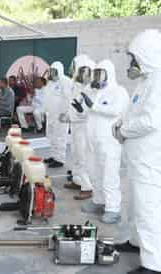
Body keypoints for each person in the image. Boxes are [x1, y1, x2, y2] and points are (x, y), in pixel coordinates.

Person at [112, 29, 161, 274]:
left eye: (135, 57)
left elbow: (150, 120)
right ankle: (136, 241)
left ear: (147, 55)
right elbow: (133, 112)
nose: (133, 63)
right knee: (136, 206)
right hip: (138, 157)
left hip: (151, 159)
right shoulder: (147, 80)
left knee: (148, 210)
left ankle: (154, 265)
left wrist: (124, 130)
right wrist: (120, 123)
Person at [78, 60, 129, 224]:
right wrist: (82, 110)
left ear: (109, 73)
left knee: (109, 174)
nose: (97, 77)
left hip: (109, 142)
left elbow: (117, 110)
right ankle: (99, 200)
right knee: (94, 171)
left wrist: (94, 106)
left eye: (101, 73)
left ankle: (113, 208)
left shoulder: (118, 91)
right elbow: (90, 111)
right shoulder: (94, 91)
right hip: (92, 140)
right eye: (96, 73)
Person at [64, 55, 95, 197]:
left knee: (83, 156)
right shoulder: (75, 84)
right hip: (75, 125)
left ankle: (87, 187)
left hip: (84, 126)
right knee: (76, 155)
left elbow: (90, 108)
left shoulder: (91, 87)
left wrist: (79, 112)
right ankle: (77, 180)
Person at [43, 61, 71, 168]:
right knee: (52, 136)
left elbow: (68, 99)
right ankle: (54, 156)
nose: (51, 73)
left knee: (60, 137)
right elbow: (47, 98)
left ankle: (60, 159)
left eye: (54, 71)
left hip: (61, 116)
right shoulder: (50, 83)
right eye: (51, 71)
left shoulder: (65, 81)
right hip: (51, 115)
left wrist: (66, 113)